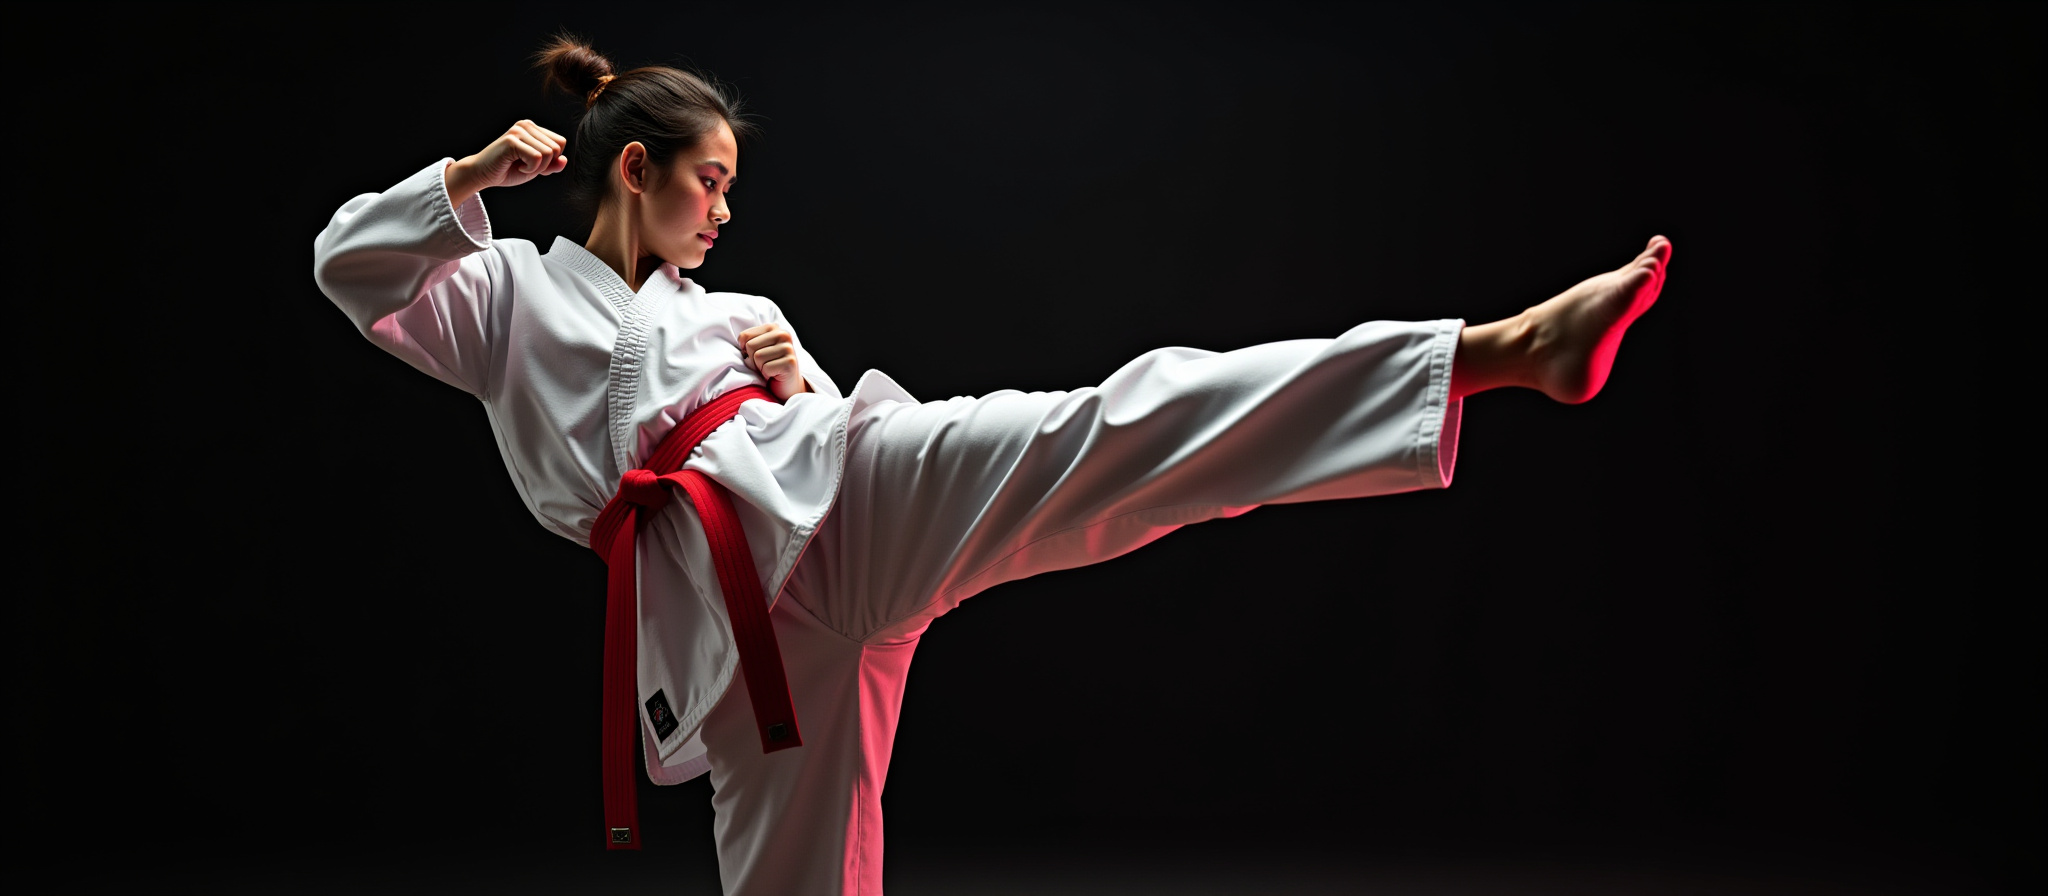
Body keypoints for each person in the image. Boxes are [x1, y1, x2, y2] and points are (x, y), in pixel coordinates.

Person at [312, 35, 1672, 896]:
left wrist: (794, 377)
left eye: (728, 186)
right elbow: (349, 267)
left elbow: (801, 429)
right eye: (707, 180)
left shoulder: (729, 313)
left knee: (1115, 425)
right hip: (728, 631)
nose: (723, 209)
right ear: (631, 171)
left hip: (840, 501)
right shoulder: (507, 295)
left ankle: (1499, 351)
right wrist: (468, 177)